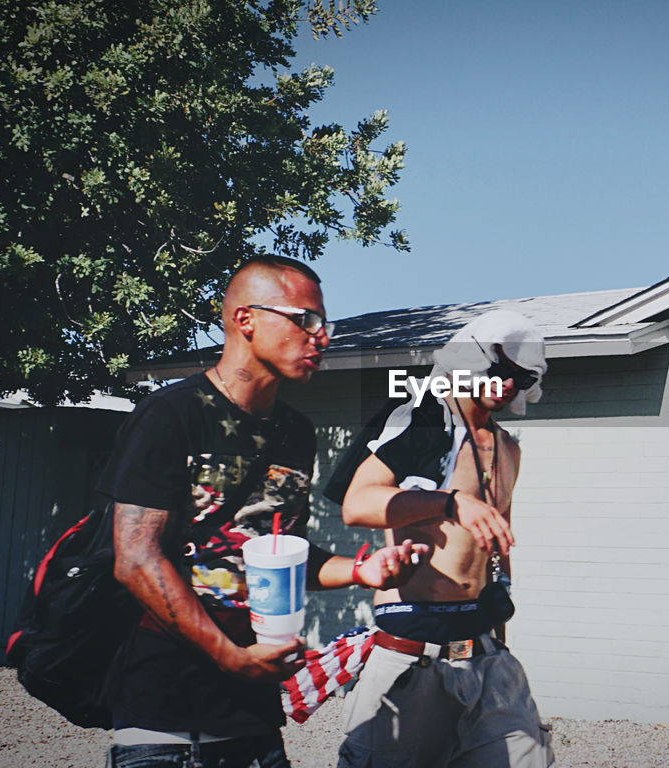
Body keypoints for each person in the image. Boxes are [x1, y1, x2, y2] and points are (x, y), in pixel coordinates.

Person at [99, 255, 429, 768]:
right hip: (165, 717)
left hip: (253, 717)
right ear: (244, 319)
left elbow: (275, 552)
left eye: (326, 324)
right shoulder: (173, 414)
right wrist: (232, 657)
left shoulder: (296, 434)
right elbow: (135, 558)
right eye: (306, 320)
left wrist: (362, 571)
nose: (321, 337)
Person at [324, 309, 556, 768]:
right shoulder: (425, 419)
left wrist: (500, 636)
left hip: (483, 643)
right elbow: (357, 503)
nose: (507, 383)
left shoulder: (508, 447)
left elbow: (496, 549)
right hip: (414, 639)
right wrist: (449, 502)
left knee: (528, 759)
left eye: (520, 375)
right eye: (499, 368)